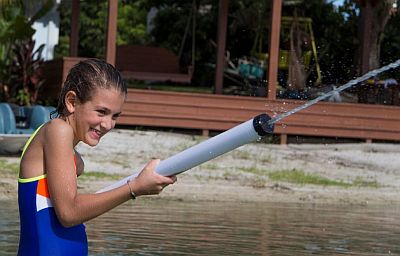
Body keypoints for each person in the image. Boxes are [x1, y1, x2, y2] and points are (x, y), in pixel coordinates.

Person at [17, 58, 177, 255]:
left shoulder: (69, 151)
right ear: (72, 102)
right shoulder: (57, 130)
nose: (108, 124)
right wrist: (134, 188)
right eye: (101, 112)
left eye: (115, 116)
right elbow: (69, 213)